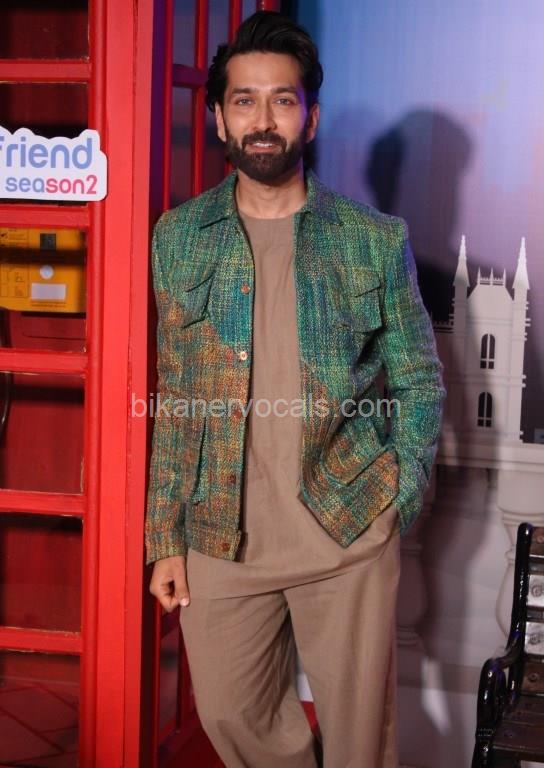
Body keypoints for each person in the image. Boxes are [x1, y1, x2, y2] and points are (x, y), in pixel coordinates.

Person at [145, 10, 446, 768]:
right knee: (233, 719)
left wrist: (400, 494)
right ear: (219, 118)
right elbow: (176, 396)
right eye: (243, 101)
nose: (263, 120)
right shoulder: (178, 237)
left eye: (282, 100)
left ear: (309, 117)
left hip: (346, 528)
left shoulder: (373, 238)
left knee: (358, 746)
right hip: (220, 535)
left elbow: (418, 378)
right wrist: (163, 539)